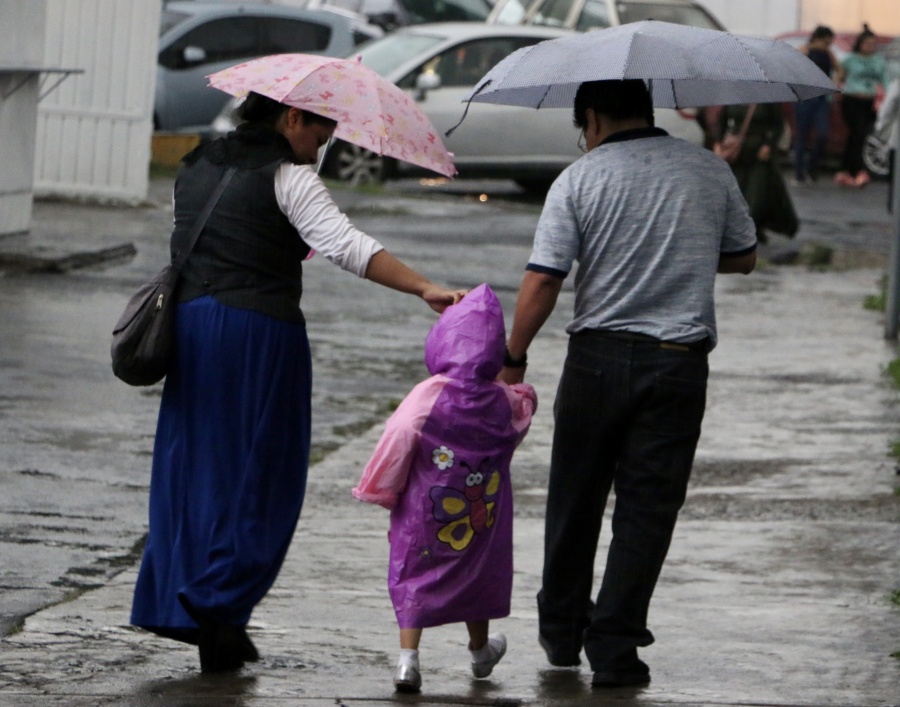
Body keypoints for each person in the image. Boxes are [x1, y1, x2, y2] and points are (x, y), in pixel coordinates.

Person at [129, 91, 466, 673]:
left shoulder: (196, 165)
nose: (322, 147)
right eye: (321, 133)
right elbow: (345, 245)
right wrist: (423, 287)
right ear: (292, 118)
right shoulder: (288, 176)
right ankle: (217, 601)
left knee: (196, 470)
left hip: (191, 328)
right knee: (266, 474)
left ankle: (196, 604)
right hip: (257, 333)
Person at [498, 79, 756, 688]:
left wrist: (513, 356)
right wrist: (682, 252)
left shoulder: (580, 179)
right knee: (647, 511)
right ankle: (614, 648)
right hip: (678, 362)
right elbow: (744, 255)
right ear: (647, 109)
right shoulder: (708, 170)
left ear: (590, 116)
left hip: (596, 362)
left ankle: (562, 632)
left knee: (575, 498)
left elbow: (543, 280)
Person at [352, 283, 537, 693]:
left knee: (414, 571)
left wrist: (382, 487)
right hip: (481, 511)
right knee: (476, 570)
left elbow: (399, 435)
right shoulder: (501, 400)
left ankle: (408, 661)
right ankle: (479, 651)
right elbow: (523, 413)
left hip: (425, 505)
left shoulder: (429, 394)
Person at [715, 102, 799, 242]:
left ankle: (748, 232)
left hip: (760, 154)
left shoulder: (769, 98)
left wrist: (768, 145)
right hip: (737, 153)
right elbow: (722, 120)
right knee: (737, 193)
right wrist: (718, 142)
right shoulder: (733, 95)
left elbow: (778, 126)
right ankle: (747, 230)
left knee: (756, 194)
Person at [835, 25, 887, 187]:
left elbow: (884, 80)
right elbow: (839, 77)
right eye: (867, 43)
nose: (870, 47)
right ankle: (858, 171)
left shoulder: (879, 60)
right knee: (858, 133)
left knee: (857, 136)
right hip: (852, 100)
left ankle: (844, 170)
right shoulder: (850, 59)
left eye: (873, 44)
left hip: (869, 101)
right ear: (860, 44)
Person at [793, 25, 844, 185]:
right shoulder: (805, 50)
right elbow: (794, 68)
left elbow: (839, 70)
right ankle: (799, 172)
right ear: (820, 38)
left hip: (822, 98)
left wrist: (834, 82)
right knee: (802, 134)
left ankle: (812, 165)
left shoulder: (828, 53)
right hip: (806, 96)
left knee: (823, 134)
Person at [875, 74, 899, 212]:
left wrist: (880, 127)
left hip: (897, 144)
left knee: (895, 183)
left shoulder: (898, 83)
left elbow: (888, 107)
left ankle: (893, 209)